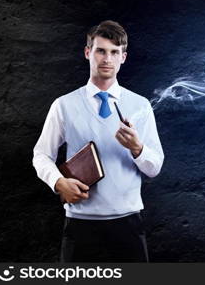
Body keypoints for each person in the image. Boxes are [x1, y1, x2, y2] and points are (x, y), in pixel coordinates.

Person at [32, 20, 164, 262]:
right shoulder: (64, 105)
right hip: (80, 222)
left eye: (115, 52)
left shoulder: (140, 105)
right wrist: (59, 182)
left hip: (129, 221)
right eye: (100, 50)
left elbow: (154, 168)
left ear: (123, 57)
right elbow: (41, 154)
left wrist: (137, 148)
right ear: (87, 53)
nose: (107, 59)